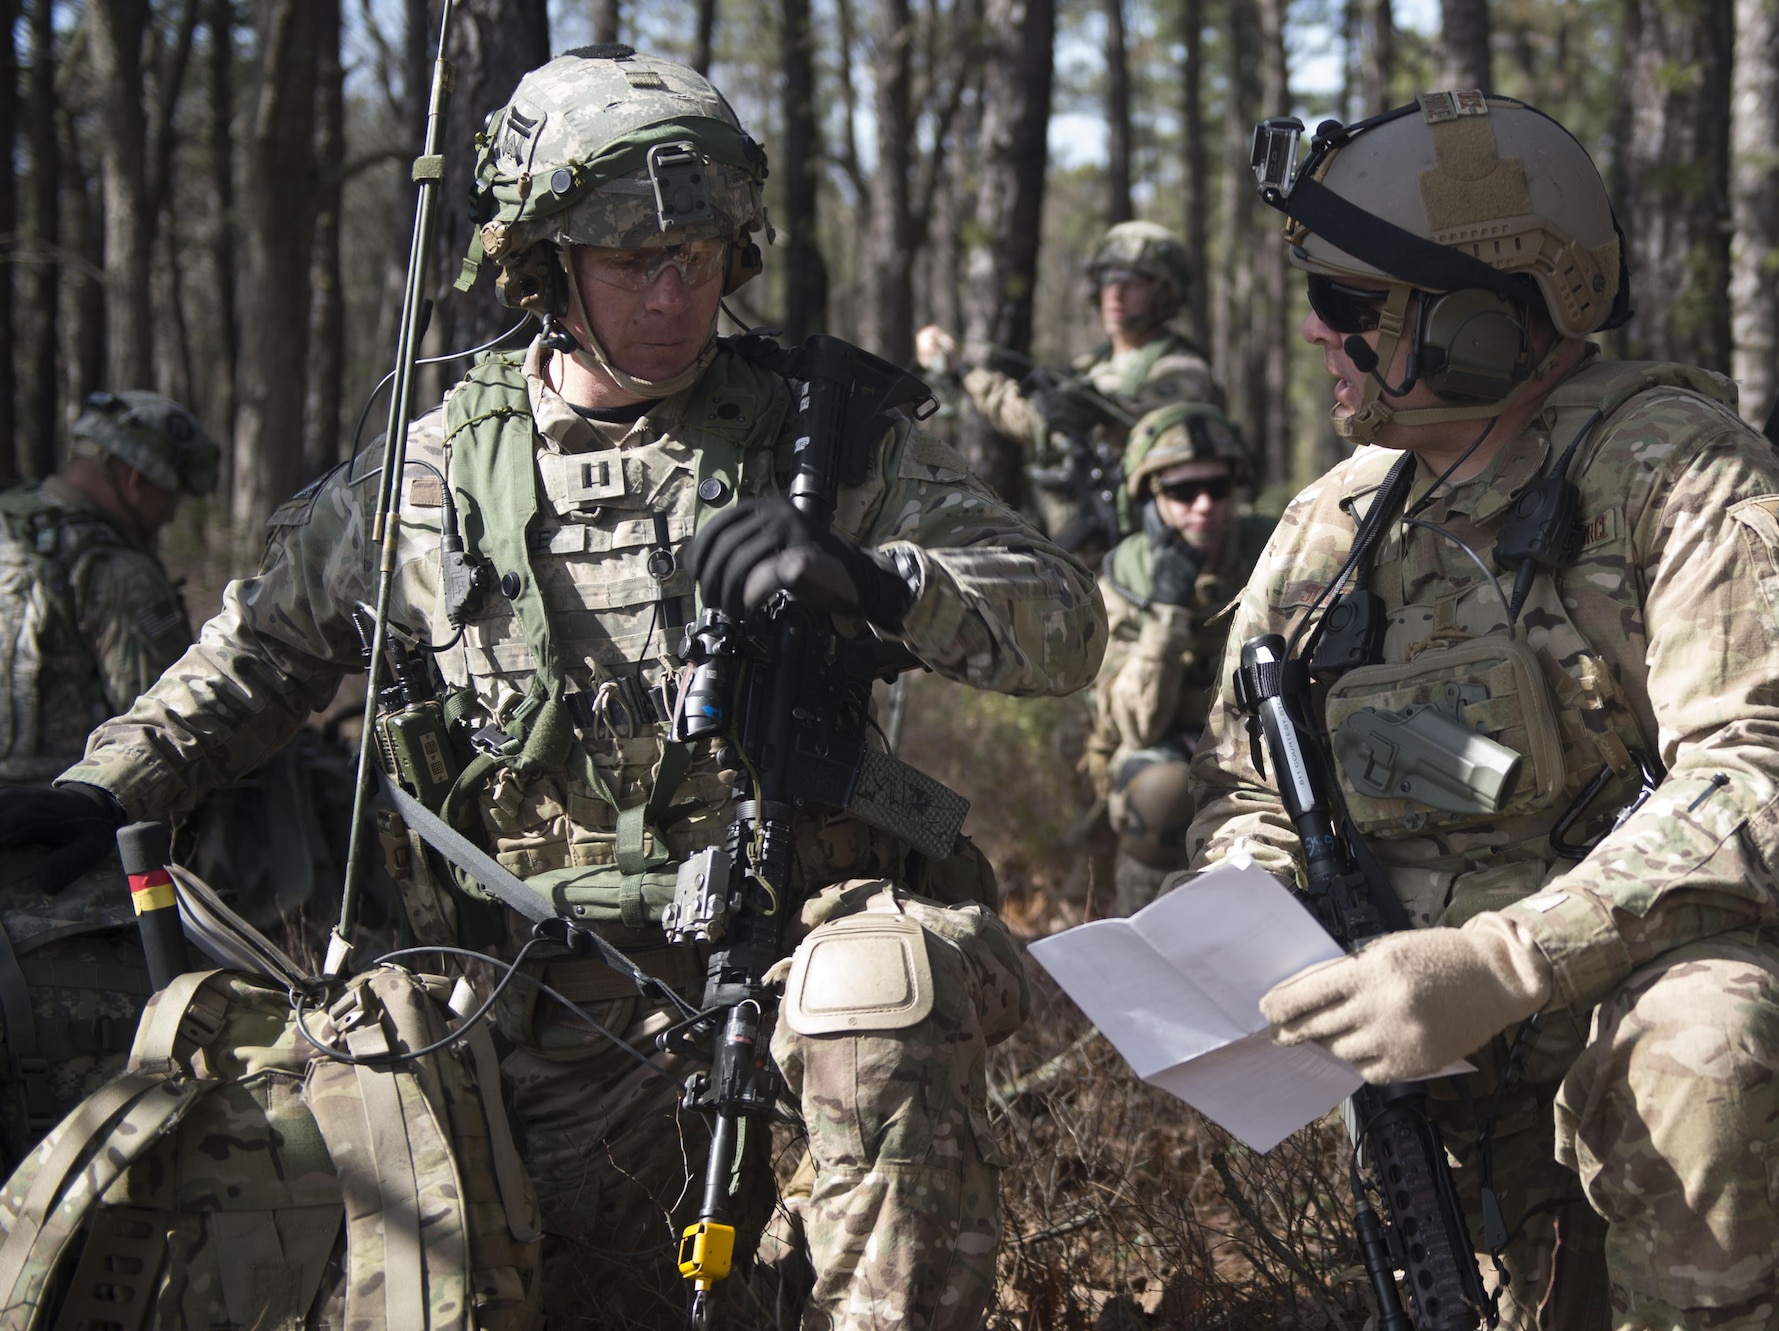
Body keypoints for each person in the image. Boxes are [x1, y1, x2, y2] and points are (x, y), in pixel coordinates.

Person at [0, 46, 1105, 1330]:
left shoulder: (826, 443)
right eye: (636, 260)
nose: (676, 294)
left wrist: (879, 578)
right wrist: (103, 783)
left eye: (701, 257)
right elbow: (257, 654)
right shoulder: (422, 474)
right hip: (495, 1027)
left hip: (768, 999)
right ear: (541, 268)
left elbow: (1064, 625)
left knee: (877, 986)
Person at [1188, 91, 1779, 1328]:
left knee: (1695, 1048)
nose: (1316, 335)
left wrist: (1501, 959)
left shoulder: (1681, 478)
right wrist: (1237, 908)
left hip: (1687, 984)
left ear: (1480, 328)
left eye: (1346, 306)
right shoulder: (1329, 532)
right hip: (1454, 1040)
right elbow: (1258, 791)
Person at [0, 389, 217, 1168]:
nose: (167, 515)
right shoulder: (116, 572)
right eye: (168, 495)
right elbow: (165, 734)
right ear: (134, 478)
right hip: (74, 870)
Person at [916, 220, 1222, 552]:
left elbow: (1154, 435)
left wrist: (1093, 413)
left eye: (1134, 282)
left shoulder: (1180, 369)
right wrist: (960, 368)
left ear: (1165, 290)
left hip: (1145, 551)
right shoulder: (1088, 366)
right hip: (1077, 543)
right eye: (1108, 279)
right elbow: (1029, 418)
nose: (1115, 293)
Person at [1083, 402, 1273, 915]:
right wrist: (1167, 610)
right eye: (1183, 491)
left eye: (1219, 486)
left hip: (1262, 736)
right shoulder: (1128, 578)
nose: (1205, 505)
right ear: (1151, 498)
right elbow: (1139, 724)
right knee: (1161, 795)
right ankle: (1144, 931)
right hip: (1165, 745)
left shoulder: (1277, 550)